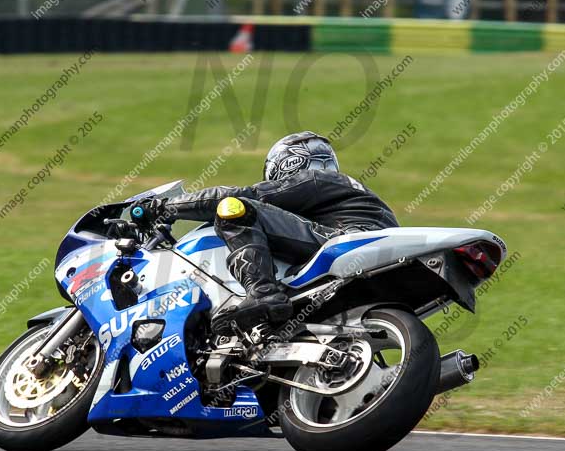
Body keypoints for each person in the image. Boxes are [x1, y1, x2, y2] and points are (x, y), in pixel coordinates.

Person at [133, 131, 398, 335]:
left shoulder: (316, 180)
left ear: (288, 163)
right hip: (370, 260)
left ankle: (262, 293)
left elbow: (244, 196)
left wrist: (164, 207)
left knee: (234, 208)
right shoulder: (348, 196)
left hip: (343, 241)